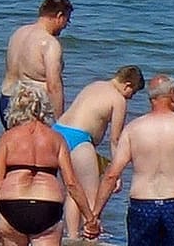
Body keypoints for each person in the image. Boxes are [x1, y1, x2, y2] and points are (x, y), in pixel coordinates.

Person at [95, 74, 174, 246]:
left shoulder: (133, 129)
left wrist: (95, 215)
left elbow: (111, 175)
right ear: (173, 95)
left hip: (143, 207)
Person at [0, 86, 99, 244]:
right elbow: (71, 184)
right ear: (44, 107)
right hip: (47, 207)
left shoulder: (8, 138)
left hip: (12, 205)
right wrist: (90, 219)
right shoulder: (57, 139)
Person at [58, 66, 146, 232]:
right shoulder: (118, 100)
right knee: (92, 196)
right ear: (127, 85)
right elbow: (115, 139)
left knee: (73, 192)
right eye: (132, 93)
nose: (131, 98)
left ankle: (72, 236)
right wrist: (116, 173)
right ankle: (91, 234)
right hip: (80, 140)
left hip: (59, 132)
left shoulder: (95, 85)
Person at [1, 0, 72, 126]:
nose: (65, 25)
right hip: (31, 108)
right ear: (59, 16)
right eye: (67, 20)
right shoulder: (50, 43)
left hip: (7, 101)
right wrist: (60, 122)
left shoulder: (18, 33)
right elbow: (54, 86)